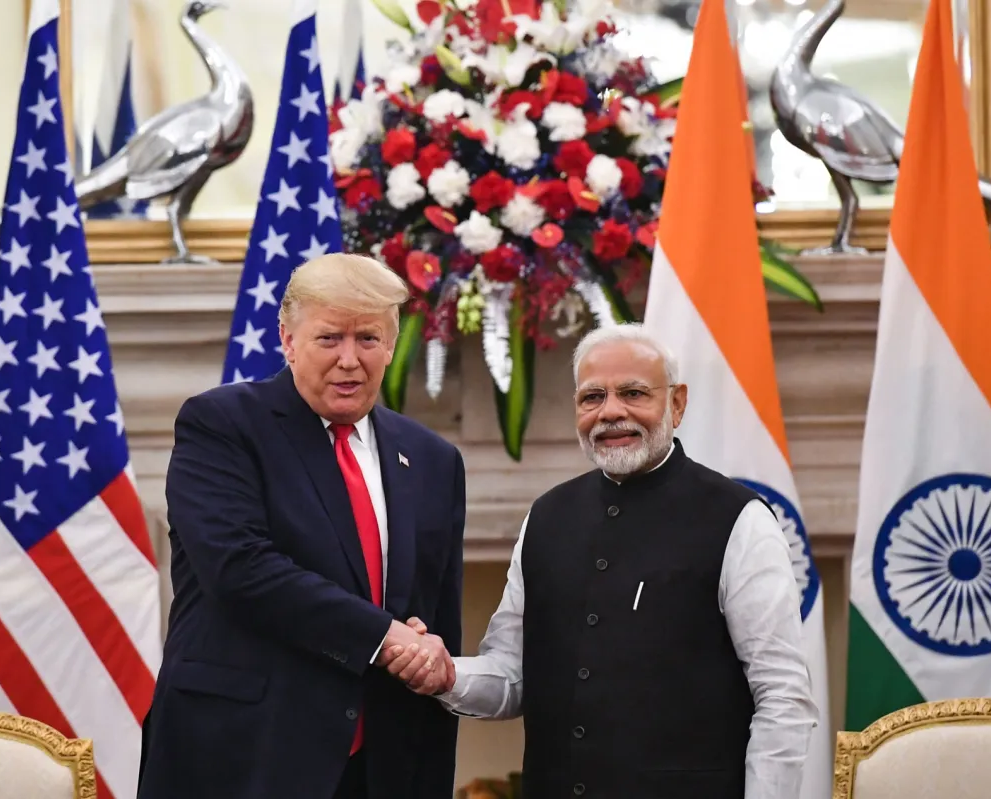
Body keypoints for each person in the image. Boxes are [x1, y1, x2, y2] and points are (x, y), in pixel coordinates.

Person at [384, 323, 817, 799]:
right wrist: (448, 674)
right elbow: (512, 675)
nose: (611, 413)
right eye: (592, 397)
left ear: (676, 403)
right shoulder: (547, 517)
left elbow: (782, 697)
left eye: (634, 393)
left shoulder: (739, 519)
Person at [137, 253, 465, 799]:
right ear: (288, 340)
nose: (350, 360)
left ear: (391, 344)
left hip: (381, 766)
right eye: (329, 338)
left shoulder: (432, 459)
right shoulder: (222, 424)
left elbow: (436, 623)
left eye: (368, 338)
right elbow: (241, 569)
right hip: (244, 757)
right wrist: (385, 639)